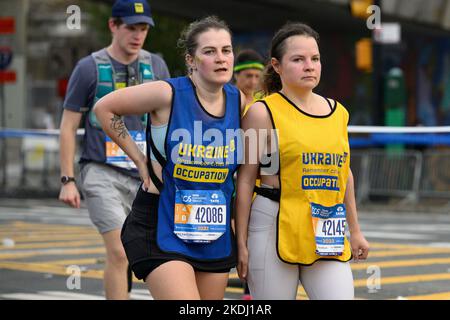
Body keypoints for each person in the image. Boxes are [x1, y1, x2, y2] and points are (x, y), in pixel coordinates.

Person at [93, 16, 246, 300]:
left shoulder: (240, 102)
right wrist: (140, 160)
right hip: (160, 221)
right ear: (191, 60)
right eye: (209, 51)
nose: (221, 58)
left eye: (226, 50)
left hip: (214, 231)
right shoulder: (167, 93)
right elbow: (105, 108)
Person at [235, 22, 370, 300]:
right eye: (298, 59)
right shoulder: (262, 112)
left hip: (326, 228)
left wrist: (355, 231)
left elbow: (344, 173)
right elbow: (246, 179)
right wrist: (241, 242)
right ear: (277, 65)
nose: (310, 66)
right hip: (272, 222)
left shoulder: (338, 113)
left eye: (315, 59)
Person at [58, 0, 170, 300]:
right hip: (101, 172)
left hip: (146, 176)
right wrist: (67, 180)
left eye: (143, 29)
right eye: (131, 28)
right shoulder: (88, 67)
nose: (137, 35)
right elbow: (68, 126)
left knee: (155, 254)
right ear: (113, 26)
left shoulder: (157, 66)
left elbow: (171, 122)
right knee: (119, 252)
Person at [233, 48, 264, 300]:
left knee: (254, 245)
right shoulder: (230, 101)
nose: (253, 81)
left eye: (257, 76)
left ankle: (250, 295)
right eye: (248, 76)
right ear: (236, 76)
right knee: (238, 242)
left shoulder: (266, 104)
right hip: (233, 181)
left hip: (259, 185)